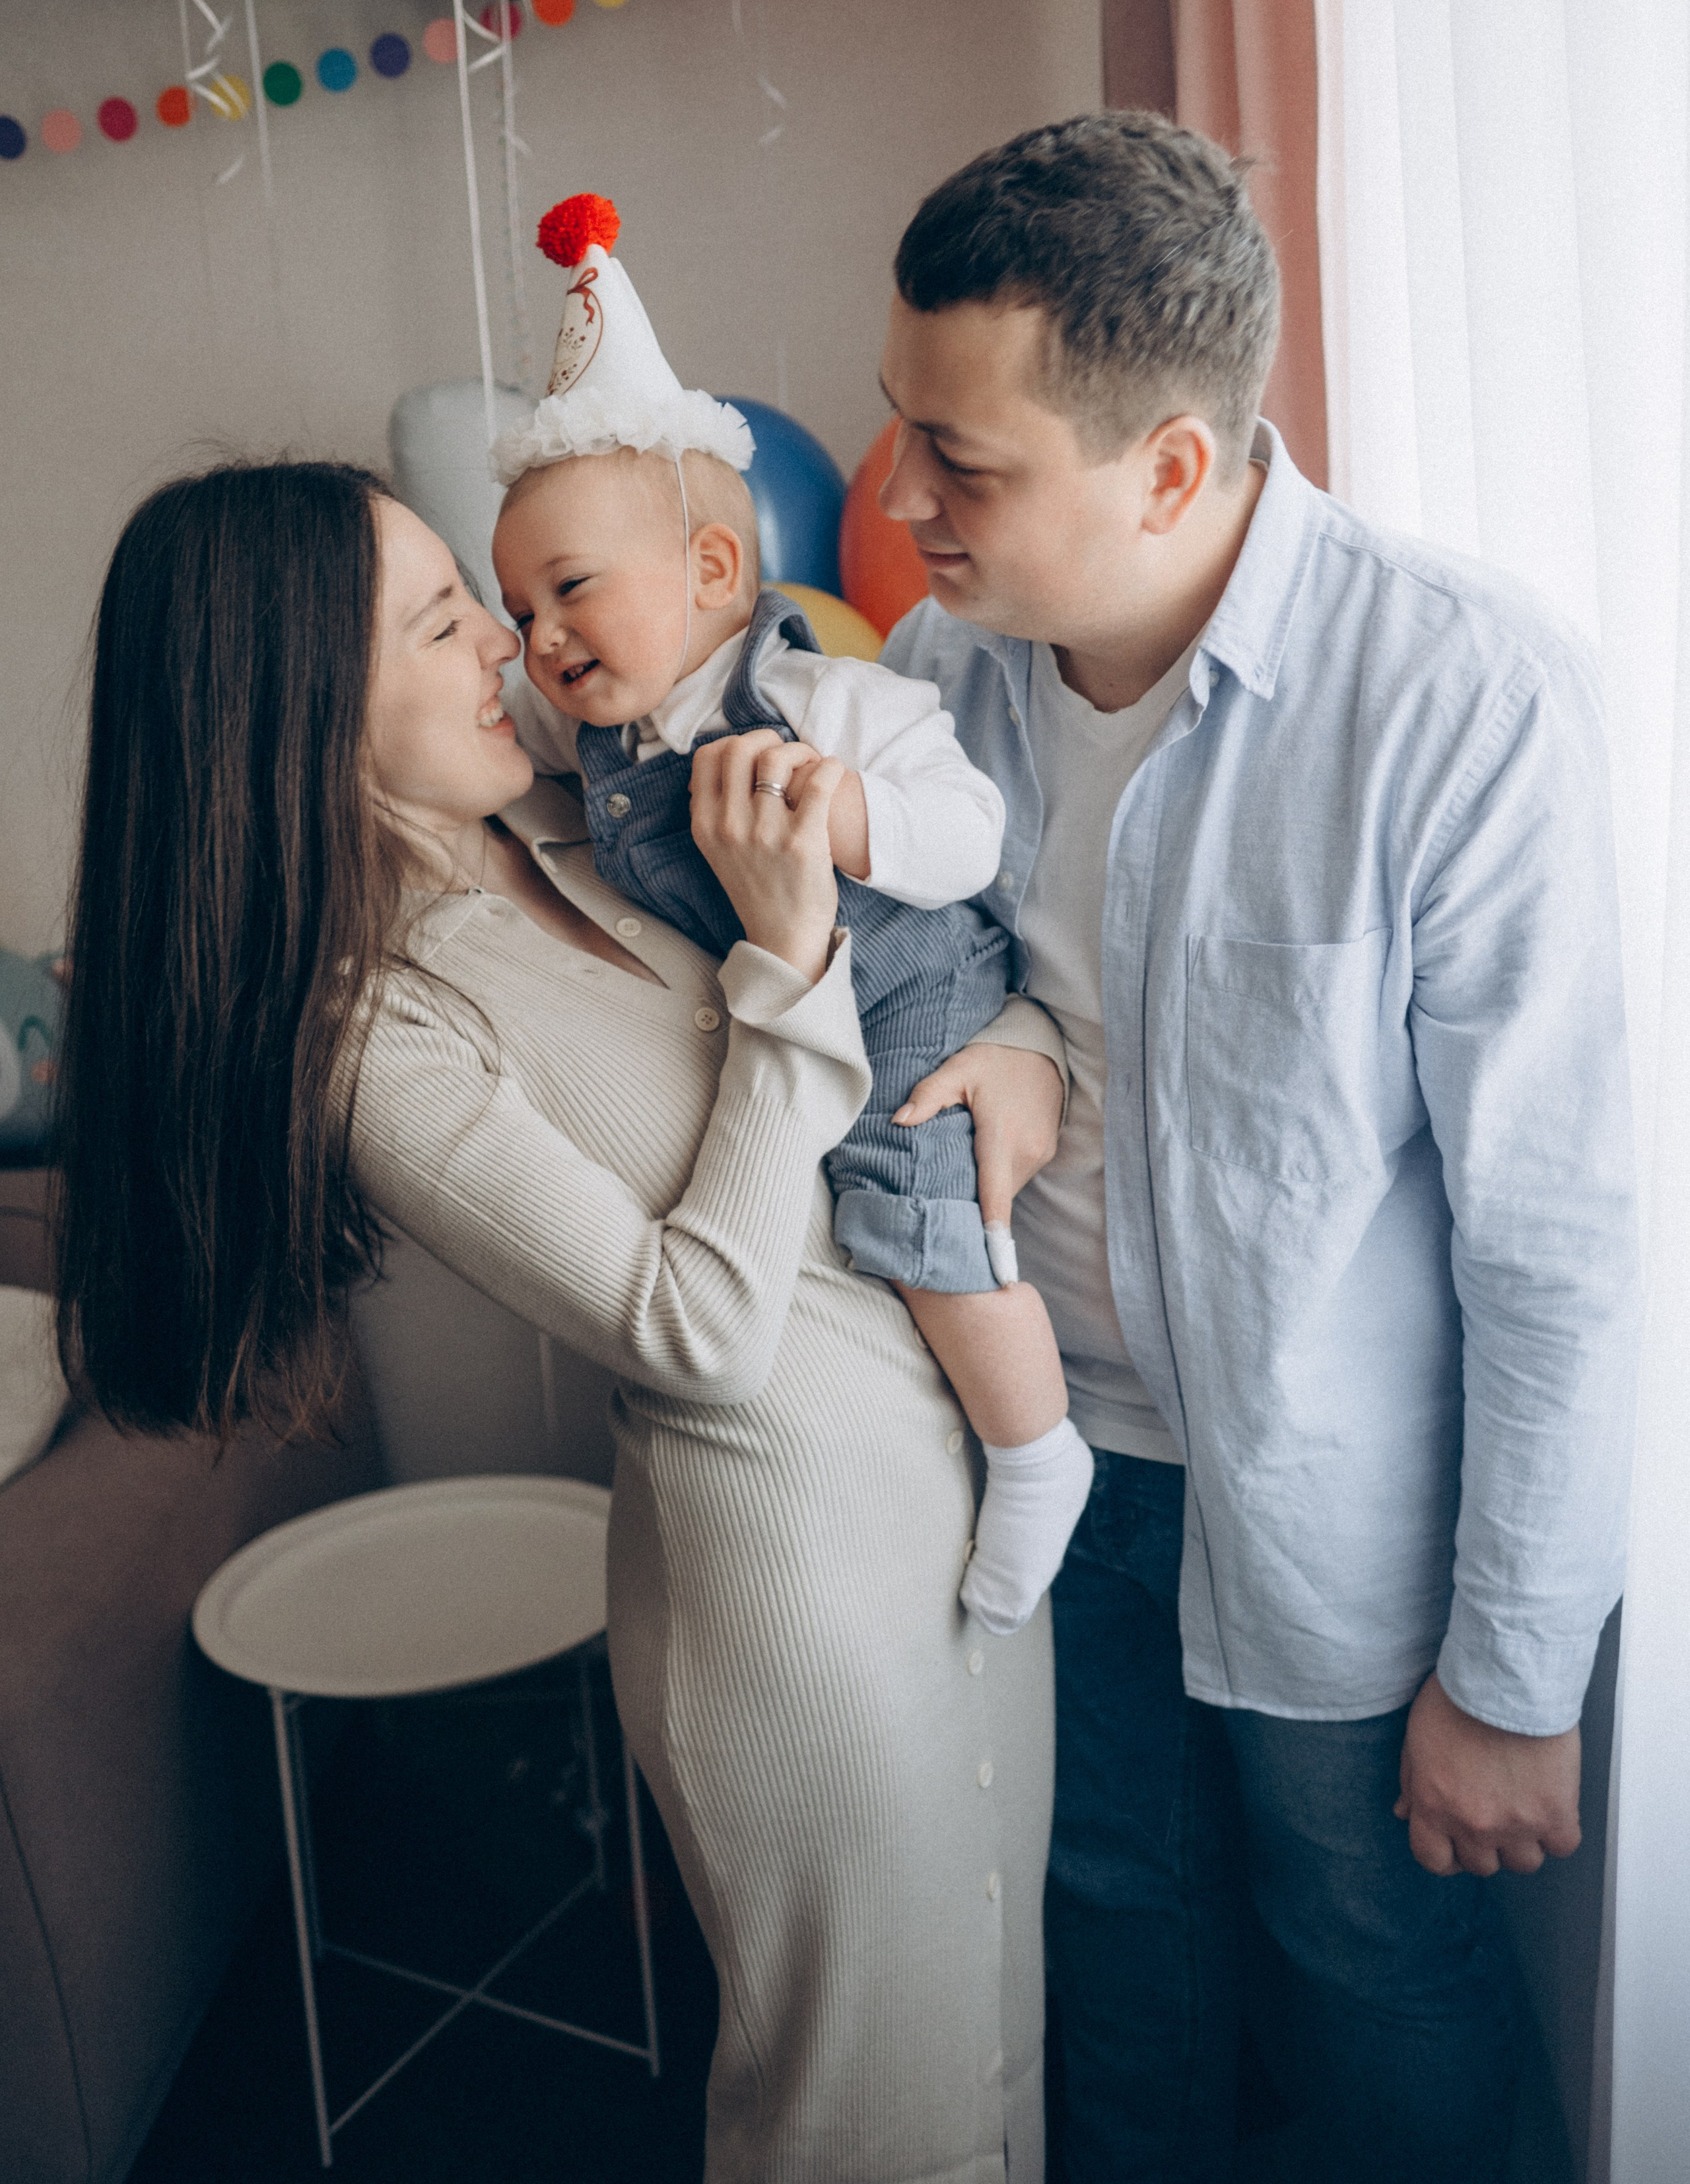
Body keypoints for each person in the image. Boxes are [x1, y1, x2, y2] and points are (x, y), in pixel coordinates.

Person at [53, 458, 1068, 2183]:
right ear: (300, 711)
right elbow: (695, 1329)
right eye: (441, 619)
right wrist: (788, 966)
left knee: (991, 2051)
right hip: (795, 1596)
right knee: (863, 2124)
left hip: (955, 1517)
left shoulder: (584, 821)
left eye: (485, 600)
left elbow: (910, 965)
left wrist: (1018, 1049)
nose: (504, 645)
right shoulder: (373, 1034)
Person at [873, 112, 1641, 2182]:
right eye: (897, 427)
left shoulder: (1461, 696)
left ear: (1172, 468)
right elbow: (925, 995)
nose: (901, 497)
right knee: (1112, 1962)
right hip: (1048, 1470)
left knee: (1372, 1981)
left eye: (962, 458)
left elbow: (1554, 1238)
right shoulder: (934, 680)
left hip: (1343, 1521)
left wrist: (1514, 1675)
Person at [489, 190, 1093, 1634]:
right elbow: (503, 741)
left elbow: (969, 834)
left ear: (711, 570)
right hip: (798, 1008)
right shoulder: (596, 730)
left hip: (911, 990)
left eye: (570, 591)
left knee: (916, 1214)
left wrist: (849, 814)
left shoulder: (823, 694)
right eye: (516, 611)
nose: (543, 638)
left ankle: (1035, 1450)